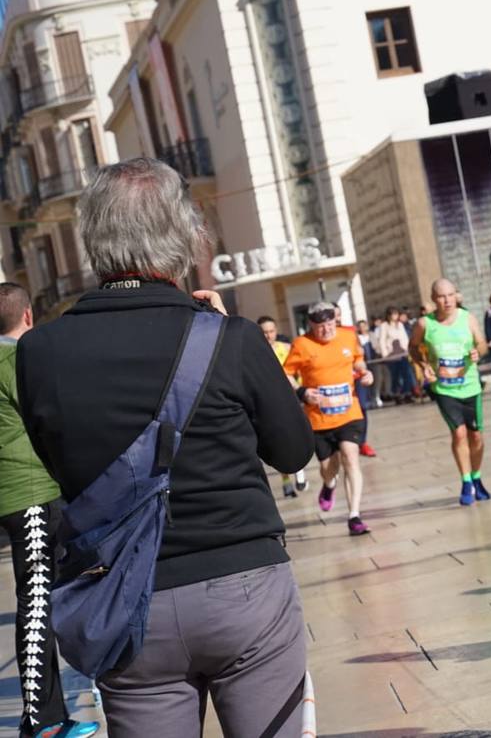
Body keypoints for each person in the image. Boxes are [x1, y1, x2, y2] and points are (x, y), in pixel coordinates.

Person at [17, 158, 313, 735]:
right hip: (243, 587)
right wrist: (234, 344)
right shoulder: (229, 338)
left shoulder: (39, 352)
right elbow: (295, 452)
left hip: (125, 604)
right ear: (182, 233)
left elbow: (60, 464)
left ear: (92, 239)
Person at [0, 284, 101, 738]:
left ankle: (48, 716)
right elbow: (53, 415)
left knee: (43, 597)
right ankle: (41, 722)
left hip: (15, 495)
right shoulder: (15, 361)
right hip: (31, 493)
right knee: (38, 603)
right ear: (28, 316)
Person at [285, 301, 375, 535]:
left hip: (349, 412)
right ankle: (328, 484)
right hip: (319, 418)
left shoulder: (347, 337)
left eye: (330, 324)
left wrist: (364, 373)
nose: (327, 330)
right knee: (329, 468)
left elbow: (358, 359)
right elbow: (286, 373)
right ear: (311, 326)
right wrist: (302, 392)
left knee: (350, 457)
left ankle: (354, 515)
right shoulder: (302, 345)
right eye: (320, 326)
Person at [410, 279, 491, 506]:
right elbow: (413, 347)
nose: (446, 301)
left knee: (477, 436)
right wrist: (423, 363)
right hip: (444, 389)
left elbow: (482, 344)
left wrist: (478, 352)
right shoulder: (425, 324)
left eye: (450, 295)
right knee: (459, 434)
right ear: (434, 299)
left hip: (470, 386)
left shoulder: (468, 318)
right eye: (441, 297)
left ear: (457, 296)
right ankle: (466, 481)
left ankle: (476, 478)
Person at [260, 315, 310, 497]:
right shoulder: (255, 352)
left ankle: (300, 472)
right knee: (279, 442)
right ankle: (286, 481)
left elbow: (298, 373)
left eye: (271, 331)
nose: (268, 335)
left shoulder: (287, 349)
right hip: (269, 404)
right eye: (264, 332)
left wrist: (302, 391)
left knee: (296, 437)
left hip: (291, 400)